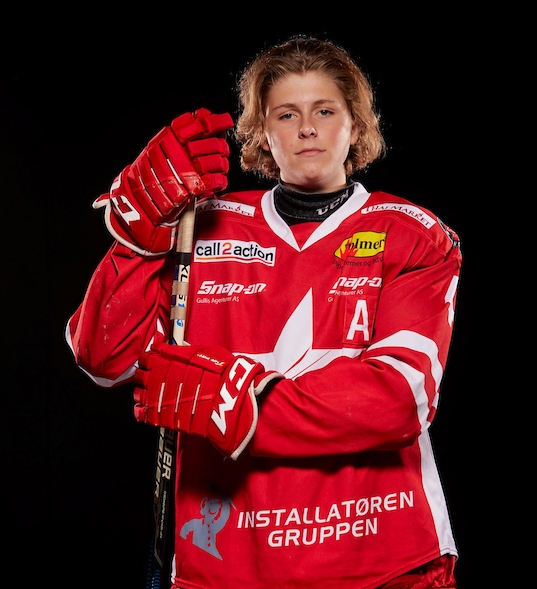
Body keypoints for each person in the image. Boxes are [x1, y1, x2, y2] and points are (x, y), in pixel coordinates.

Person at [66, 36, 461, 588]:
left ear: (355, 126)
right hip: (229, 562)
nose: (307, 129)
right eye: (286, 114)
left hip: (382, 560)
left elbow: (399, 399)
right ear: (262, 133)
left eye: (325, 111)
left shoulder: (411, 232)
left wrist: (241, 403)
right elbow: (107, 359)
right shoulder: (200, 225)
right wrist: (136, 243)